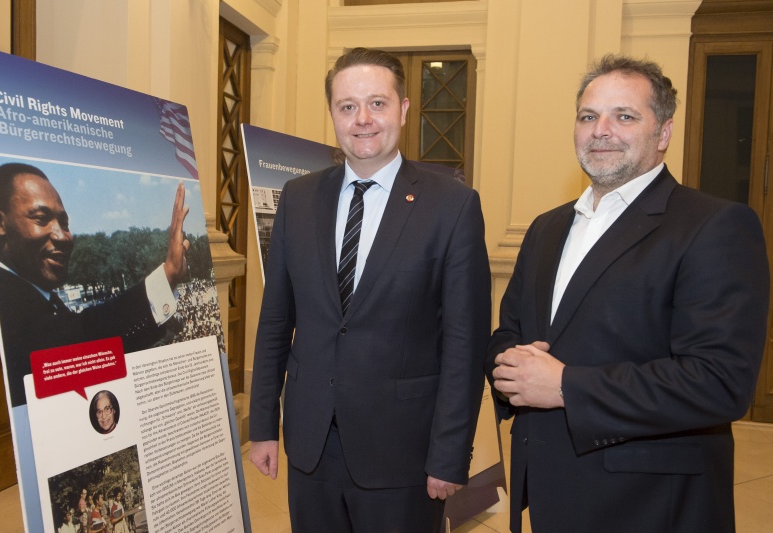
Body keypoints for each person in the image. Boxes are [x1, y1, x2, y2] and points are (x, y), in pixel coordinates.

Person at [487, 54, 769, 533]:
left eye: (624, 116)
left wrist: (564, 386)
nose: (602, 130)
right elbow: (510, 332)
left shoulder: (713, 226)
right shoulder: (546, 228)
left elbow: (719, 382)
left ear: (663, 134)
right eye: (588, 116)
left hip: (649, 503)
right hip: (553, 490)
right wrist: (507, 366)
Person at [249, 47, 491, 532]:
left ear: (403, 109)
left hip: (403, 453)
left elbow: (465, 344)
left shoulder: (453, 206)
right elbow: (276, 319)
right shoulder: (297, 199)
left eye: (377, 104)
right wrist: (261, 427)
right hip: (311, 444)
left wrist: (449, 453)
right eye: (347, 106)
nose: (362, 120)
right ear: (333, 114)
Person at [0, 162, 190, 407]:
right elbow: (79, 338)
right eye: (41, 218)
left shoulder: (42, 296)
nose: (62, 235)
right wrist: (166, 275)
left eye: (65, 223)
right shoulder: (4, 299)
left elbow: (100, 354)